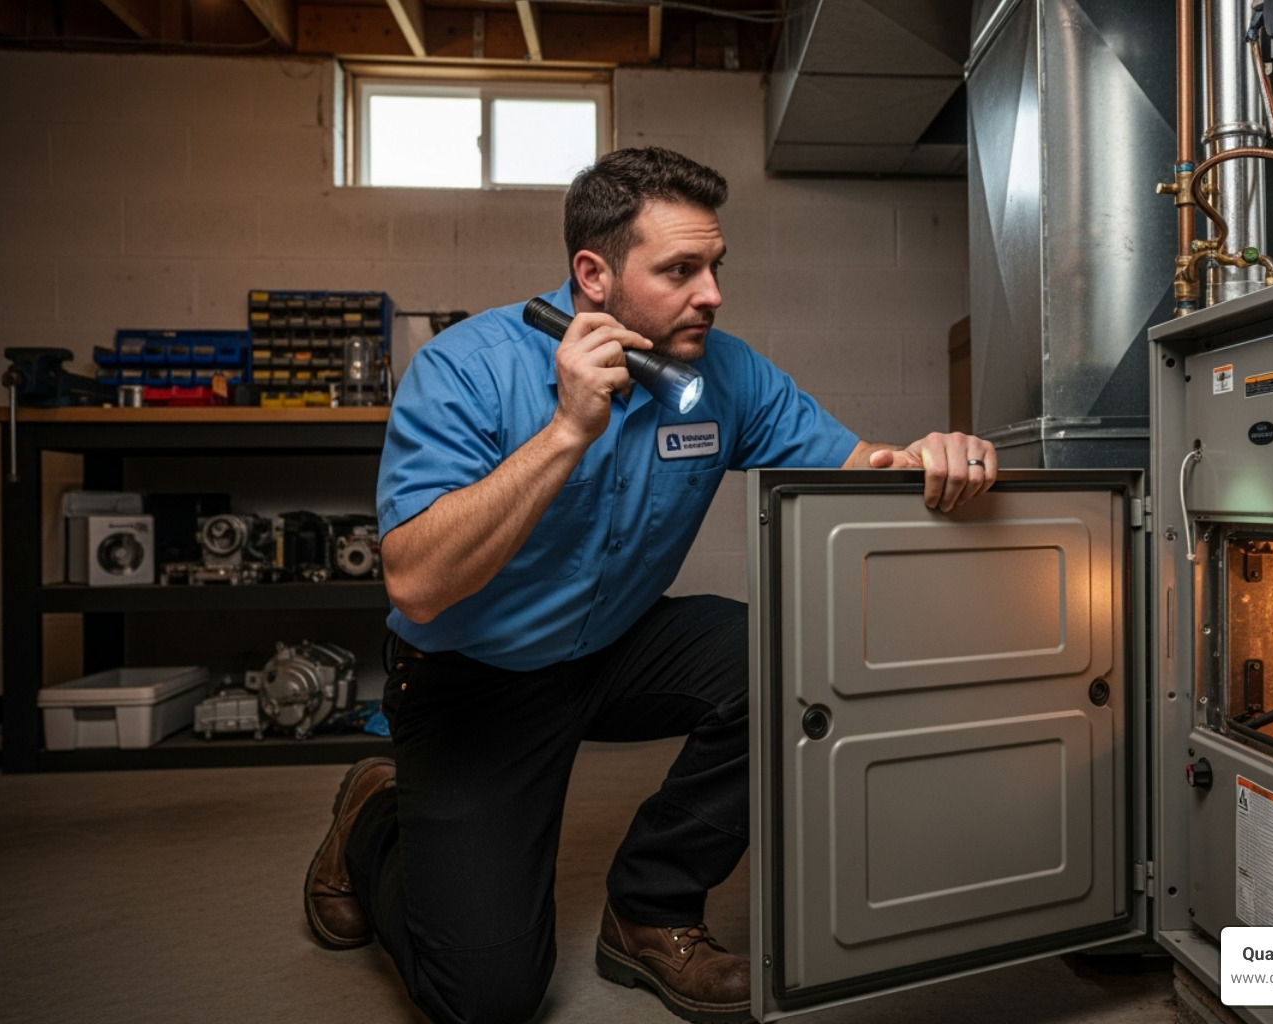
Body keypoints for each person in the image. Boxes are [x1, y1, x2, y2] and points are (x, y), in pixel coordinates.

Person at [303, 147, 998, 1024]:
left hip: (614, 643)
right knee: (485, 999)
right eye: (680, 270)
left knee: (794, 656)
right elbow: (416, 583)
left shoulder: (724, 374)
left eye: (714, 267)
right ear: (593, 274)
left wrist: (933, 462)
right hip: (472, 672)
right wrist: (565, 431)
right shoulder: (466, 369)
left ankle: (651, 907)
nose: (712, 292)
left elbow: (864, 471)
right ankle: (372, 816)